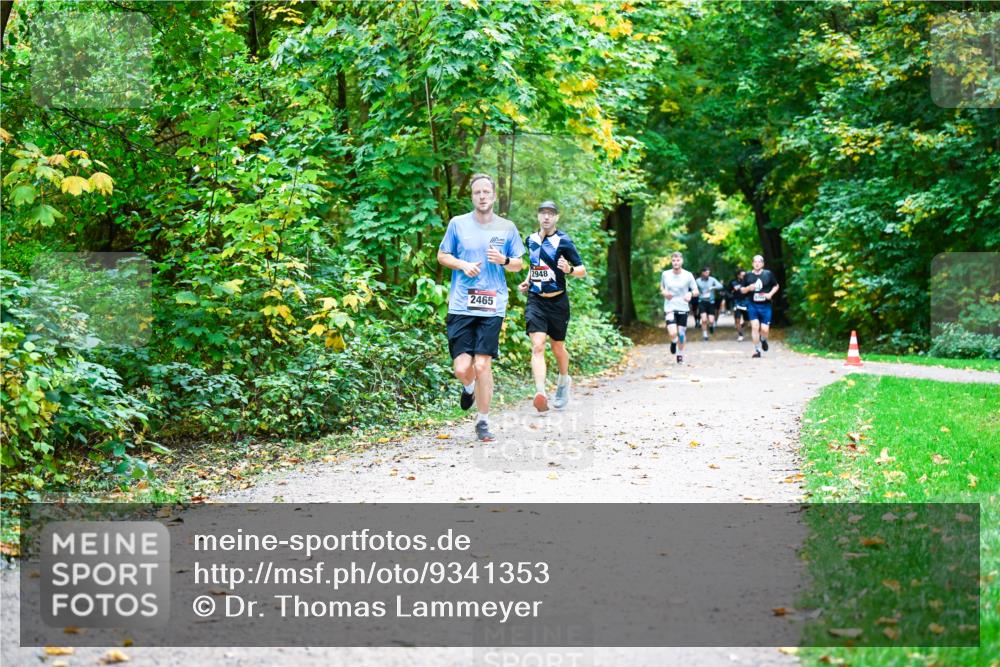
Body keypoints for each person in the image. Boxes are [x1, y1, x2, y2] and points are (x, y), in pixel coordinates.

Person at [437, 173, 524, 441]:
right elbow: (442, 255)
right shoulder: (457, 224)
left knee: (483, 364)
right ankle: (469, 386)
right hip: (462, 303)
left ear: (494, 196)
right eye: (478, 192)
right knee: (462, 367)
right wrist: (462, 264)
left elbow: (518, 264)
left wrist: (504, 259)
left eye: (487, 192)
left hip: (492, 303)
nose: (483, 196)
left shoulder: (507, 227)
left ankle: (483, 421)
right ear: (472, 196)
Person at [518, 200, 586, 412]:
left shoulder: (564, 241)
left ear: (556, 217)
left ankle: (564, 380)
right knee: (537, 345)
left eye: (551, 213)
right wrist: (529, 280)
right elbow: (535, 264)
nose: (546, 217)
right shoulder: (530, 239)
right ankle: (540, 393)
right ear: (538, 216)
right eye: (543, 213)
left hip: (558, 302)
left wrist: (569, 270)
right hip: (536, 300)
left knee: (557, 347)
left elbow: (582, 270)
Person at [660, 252, 699, 364]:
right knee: (673, 333)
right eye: (673, 260)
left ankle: (680, 354)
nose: (676, 262)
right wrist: (664, 293)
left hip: (683, 307)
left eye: (678, 260)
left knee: (681, 334)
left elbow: (696, 291)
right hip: (670, 307)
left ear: (681, 261)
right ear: (671, 262)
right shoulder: (665, 274)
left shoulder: (688, 275)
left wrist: (690, 294)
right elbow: (662, 287)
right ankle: (673, 341)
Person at [739, 254, 780, 358]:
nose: (757, 264)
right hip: (752, 304)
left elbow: (776, 285)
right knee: (755, 326)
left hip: (765, 306)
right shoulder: (748, 275)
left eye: (759, 262)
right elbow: (742, 290)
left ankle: (763, 339)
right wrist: (748, 288)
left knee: (765, 329)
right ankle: (757, 350)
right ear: (752, 264)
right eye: (755, 262)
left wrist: (770, 294)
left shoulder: (768, 274)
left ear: (762, 264)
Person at [695, 267, 724, 341]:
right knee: (704, 320)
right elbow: (693, 288)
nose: (707, 274)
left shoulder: (712, 279)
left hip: (711, 302)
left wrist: (713, 287)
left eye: (708, 273)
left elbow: (720, 286)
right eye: (706, 273)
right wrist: (696, 291)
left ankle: (711, 326)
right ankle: (705, 334)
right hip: (702, 301)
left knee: (711, 320)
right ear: (702, 273)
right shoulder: (698, 281)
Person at [728, 268, 749, 342]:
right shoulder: (733, 282)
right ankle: (740, 335)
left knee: (747, 321)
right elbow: (727, 291)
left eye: (745, 275)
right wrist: (730, 296)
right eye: (742, 275)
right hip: (736, 302)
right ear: (738, 275)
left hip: (746, 302)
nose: (744, 276)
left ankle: (741, 326)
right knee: (737, 320)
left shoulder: (748, 282)